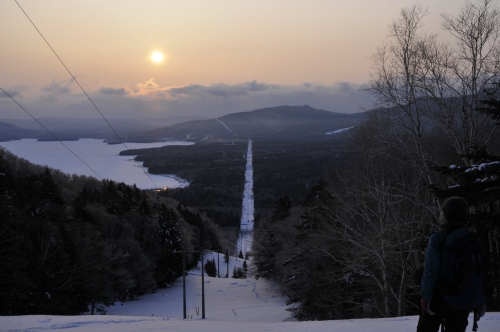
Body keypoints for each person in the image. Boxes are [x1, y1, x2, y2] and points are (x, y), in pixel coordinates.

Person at [416, 196, 485, 332]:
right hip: (462, 300)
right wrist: (479, 301)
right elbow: (479, 273)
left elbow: (431, 271)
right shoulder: (472, 240)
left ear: (445, 214)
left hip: (438, 299)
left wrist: (426, 298)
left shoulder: (438, 238)